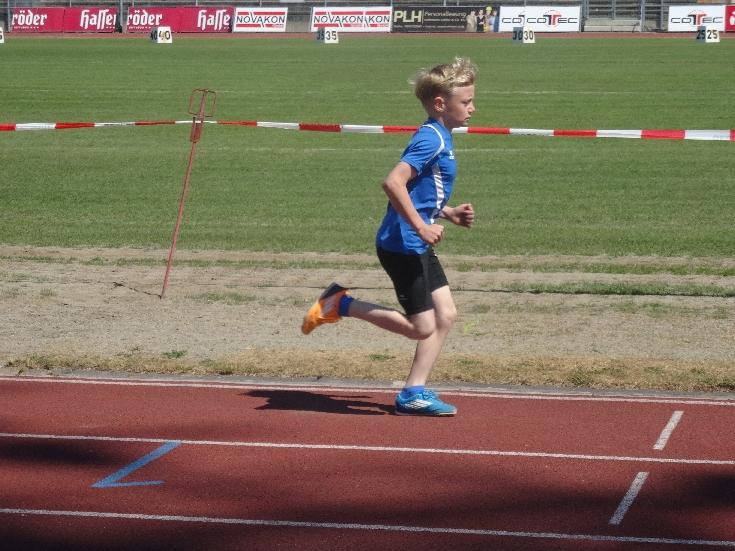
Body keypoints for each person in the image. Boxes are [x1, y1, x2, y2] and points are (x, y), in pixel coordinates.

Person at [301, 58, 477, 417]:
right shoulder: (431, 139)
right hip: (403, 245)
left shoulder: (440, 135)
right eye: (466, 101)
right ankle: (340, 304)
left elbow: (418, 191)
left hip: (416, 241)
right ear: (440, 104)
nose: (473, 108)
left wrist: (447, 213)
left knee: (445, 315)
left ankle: (413, 392)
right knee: (421, 327)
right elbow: (393, 183)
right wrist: (422, 227)